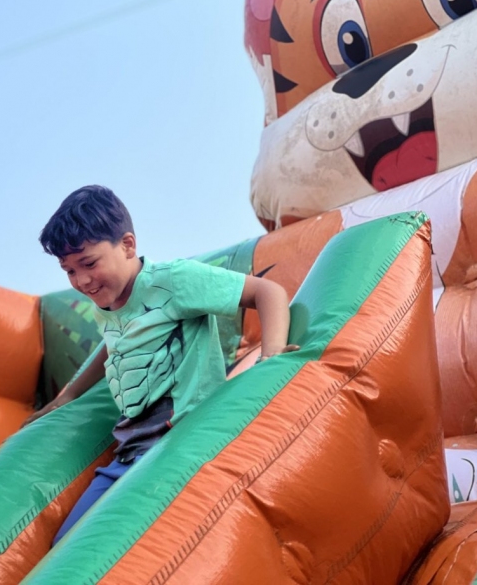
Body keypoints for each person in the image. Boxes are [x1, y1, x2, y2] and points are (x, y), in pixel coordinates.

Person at [23, 185, 297, 545]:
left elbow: (268, 292)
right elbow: (112, 344)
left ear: (127, 245)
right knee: (66, 546)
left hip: (179, 443)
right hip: (128, 454)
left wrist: (271, 358)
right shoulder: (109, 302)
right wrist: (68, 394)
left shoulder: (173, 281)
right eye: (69, 270)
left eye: (89, 263)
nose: (82, 281)